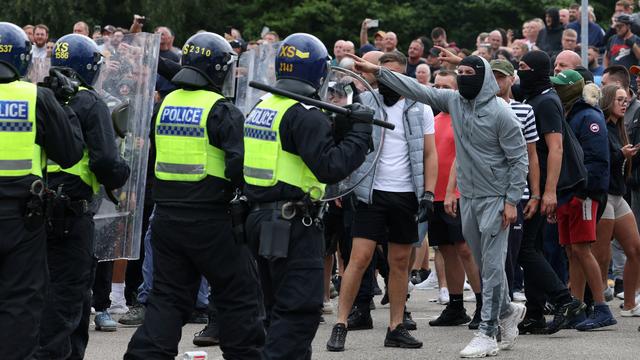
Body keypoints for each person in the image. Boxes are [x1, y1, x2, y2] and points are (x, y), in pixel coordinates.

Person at [349, 51, 529, 358]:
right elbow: (417, 89)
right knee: (484, 264)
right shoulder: (455, 103)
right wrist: (379, 72)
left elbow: (519, 159)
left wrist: (512, 201)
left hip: (497, 199)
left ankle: (488, 333)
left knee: (494, 266)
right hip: (468, 197)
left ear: (483, 79)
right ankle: (508, 309)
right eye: (460, 74)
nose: (463, 79)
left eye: (469, 74)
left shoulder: (502, 114)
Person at [124, 32, 264, 359]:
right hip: (212, 220)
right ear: (217, 70)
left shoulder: (165, 104)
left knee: (167, 299)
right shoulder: (222, 110)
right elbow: (239, 168)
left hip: (167, 219)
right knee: (239, 297)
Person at [243, 33, 373, 359]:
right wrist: (359, 133)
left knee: (272, 310)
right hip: (292, 225)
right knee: (297, 311)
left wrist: (338, 130)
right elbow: (330, 167)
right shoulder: (305, 114)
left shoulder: (264, 105)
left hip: (260, 219)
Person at [328, 50, 437, 352]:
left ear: (403, 75)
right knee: (359, 259)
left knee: (399, 262)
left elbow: (429, 153)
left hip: (406, 195)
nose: (386, 79)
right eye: (381, 73)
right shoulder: (364, 103)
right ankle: (341, 324)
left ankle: (396, 326)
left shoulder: (420, 106)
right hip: (369, 193)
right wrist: (340, 185)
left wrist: (428, 192)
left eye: (393, 74)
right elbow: (346, 146)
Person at [34, 34, 131, 359]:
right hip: (72, 214)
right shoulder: (90, 102)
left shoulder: (42, 96)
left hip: (35, 210)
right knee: (66, 298)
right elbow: (105, 161)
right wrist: (123, 172)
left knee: (63, 296)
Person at [0, 22, 84, 360]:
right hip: (23, 218)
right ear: (23, 57)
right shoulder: (37, 97)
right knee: (20, 300)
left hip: (24, 214)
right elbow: (70, 153)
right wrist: (64, 106)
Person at [515, 50, 588, 335]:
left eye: (524, 67)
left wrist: (547, 192)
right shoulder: (535, 94)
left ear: (537, 71)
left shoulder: (545, 101)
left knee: (526, 249)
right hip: (539, 184)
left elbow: (555, 148)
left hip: (548, 186)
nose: (520, 72)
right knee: (533, 248)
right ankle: (534, 313)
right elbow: (501, 81)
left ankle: (564, 300)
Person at [551, 70, 617, 330]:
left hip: (583, 195)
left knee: (581, 249)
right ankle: (576, 307)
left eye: (559, 86)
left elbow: (598, 160)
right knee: (571, 250)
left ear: (570, 89)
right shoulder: (570, 112)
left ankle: (601, 307)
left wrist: (583, 193)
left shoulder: (588, 116)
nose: (555, 89)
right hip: (570, 193)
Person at [425, 70, 483, 330]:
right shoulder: (433, 119)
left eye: (446, 86)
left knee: (465, 249)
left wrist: (454, 191)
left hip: (458, 194)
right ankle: (456, 305)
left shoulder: (464, 117)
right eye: (436, 86)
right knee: (446, 250)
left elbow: (465, 156)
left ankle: (483, 304)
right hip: (435, 194)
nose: (440, 91)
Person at [490, 59, 541, 302]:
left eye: (501, 76)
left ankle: (506, 306)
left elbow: (531, 155)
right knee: (484, 256)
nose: (496, 81)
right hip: (485, 193)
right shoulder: (476, 108)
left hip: (516, 195)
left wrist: (536, 193)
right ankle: (486, 308)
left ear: (512, 79)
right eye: (493, 76)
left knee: (510, 256)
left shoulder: (525, 110)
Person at [594, 84, 640, 317]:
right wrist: (620, 155)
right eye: (619, 99)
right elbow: (598, 161)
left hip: (618, 195)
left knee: (635, 249)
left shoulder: (620, 128)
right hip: (603, 196)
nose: (624, 103)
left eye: (626, 100)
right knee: (600, 256)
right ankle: (597, 305)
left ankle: (630, 304)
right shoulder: (600, 126)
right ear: (608, 101)